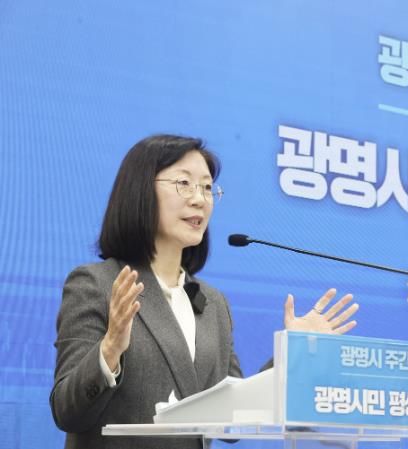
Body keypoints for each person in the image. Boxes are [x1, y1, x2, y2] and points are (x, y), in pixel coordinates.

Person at [49, 134, 359, 449]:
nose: (200, 199)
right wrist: (109, 350)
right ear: (140, 190)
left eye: (208, 188)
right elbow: (66, 411)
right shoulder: (96, 284)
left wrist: (294, 355)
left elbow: (232, 419)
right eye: (184, 183)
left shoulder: (213, 303)